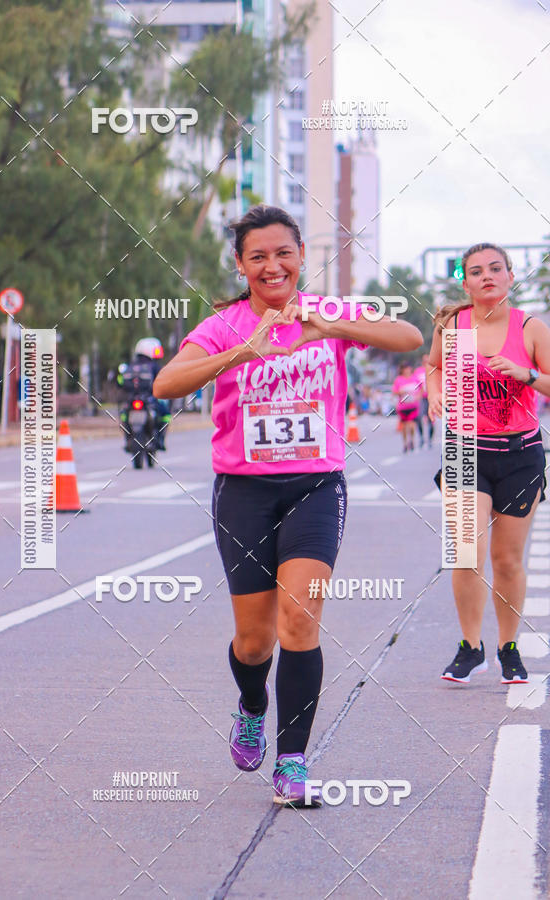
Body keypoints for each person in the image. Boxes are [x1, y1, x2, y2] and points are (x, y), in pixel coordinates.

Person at [153, 204, 423, 806]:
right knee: (254, 642)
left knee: (299, 617)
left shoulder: (326, 311)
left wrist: (334, 330)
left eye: (283, 253)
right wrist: (243, 352)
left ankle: (294, 761)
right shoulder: (225, 323)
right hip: (244, 492)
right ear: (242, 264)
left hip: (316, 485)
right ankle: (252, 704)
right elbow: (166, 384)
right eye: (258, 256)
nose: (272, 266)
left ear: (301, 256)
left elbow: (408, 338)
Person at [427, 243, 550, 685]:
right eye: (476, 271)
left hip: (519, 453)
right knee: (464, 553)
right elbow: (433, 367)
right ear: (466, 282)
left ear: (510, 276)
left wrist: (527, 375)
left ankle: (508, 647)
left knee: (507, 559)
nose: (487, 277)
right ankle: (470, 646)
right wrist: (434, 392)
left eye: (495, 269)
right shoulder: (453, 326)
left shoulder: (531, 328)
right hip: (464, 449)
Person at [118, 338, 171, 450]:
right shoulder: (154, 366)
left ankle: (128, 439)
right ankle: (160, 439)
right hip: (150, 399)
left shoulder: (130, 365)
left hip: (131, 399)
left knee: (123, 415)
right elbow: (164, 379)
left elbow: (120, 382)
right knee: (166, 414)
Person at [392, 361, 422, 452]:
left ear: (410, 369)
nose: (406, 370)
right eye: (404, 369)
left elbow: (421, 389)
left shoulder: (415, 378)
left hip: (413, 406)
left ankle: (412, 440)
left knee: (412, 425)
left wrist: (418, 397)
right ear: (402, 370)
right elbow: (394, 391)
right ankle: (405, 443)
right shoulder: (399, 380)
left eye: (408, 368)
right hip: (402, 407)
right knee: (404, 426)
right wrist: (401, 392)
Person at [414, 353, 434, 448]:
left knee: (431, 419)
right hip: (421, 398)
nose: (426, 361)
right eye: (424, 360)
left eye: (428, 360)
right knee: (419, 418)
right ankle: (421, 437)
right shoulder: (418, 371)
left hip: (430, 397)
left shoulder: (434, 369)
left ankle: (430, 440)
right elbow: (414, 384)